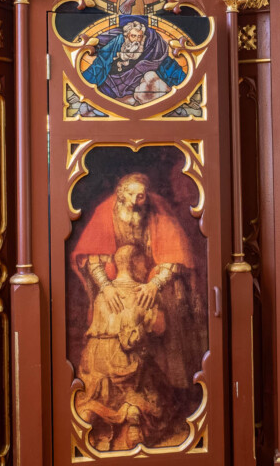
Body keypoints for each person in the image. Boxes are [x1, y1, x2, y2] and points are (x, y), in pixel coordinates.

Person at [70, 173, 204, 448]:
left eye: (140, 195)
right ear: (119, 195)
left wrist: (154, 284)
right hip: (113, 286)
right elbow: (94, 256)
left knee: (163, 311)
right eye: (130, 195)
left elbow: (175, 254)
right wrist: (106, 288)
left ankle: (157, 400)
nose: (134, 201)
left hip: (150, 284)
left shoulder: (156, 213)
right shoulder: (106, 213)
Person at [75, 244, 169, 450]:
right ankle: (133, 418)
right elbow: (160, 328)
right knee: (149, 384)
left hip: (96, 359)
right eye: (144, 262)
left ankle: (90, 416)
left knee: (97, 394)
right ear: (135, 263)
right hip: (125, 361)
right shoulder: (143, 294)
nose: (147, 268)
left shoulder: (103, 294)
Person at [82, 17, 186, 105]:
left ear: (143, 37)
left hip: (142, 93)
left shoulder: (152, 50)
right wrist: (82, 89)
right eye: (133, 36)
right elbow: (98, 66)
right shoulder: (113, 47)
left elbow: (171, 69)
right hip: (111, 88)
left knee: (150, 77)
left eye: (139, 37)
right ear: (126, 36)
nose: (136, 40)